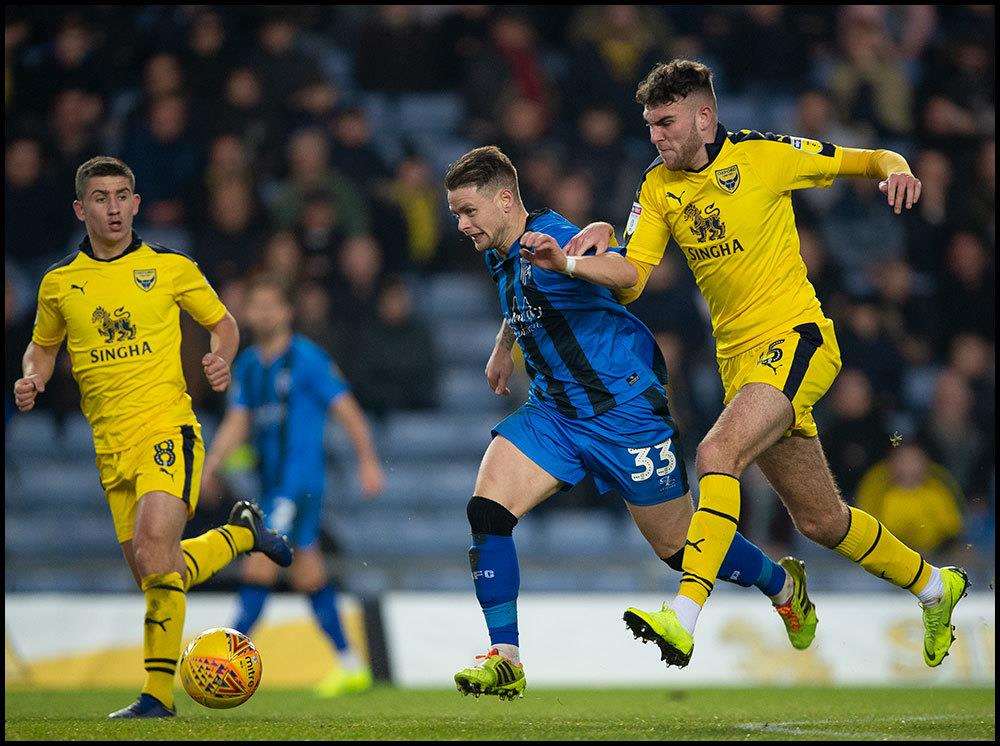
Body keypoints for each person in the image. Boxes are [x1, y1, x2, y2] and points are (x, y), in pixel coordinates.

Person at [565, 59, 968, 668]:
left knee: (715, 454)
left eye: (667, 122)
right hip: (742, 366)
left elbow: (868, 158)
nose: (657, 136)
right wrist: (573, 263)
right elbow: (633, 279)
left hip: (797, 339)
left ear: (705, 116)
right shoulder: (656, 187)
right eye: (650, 125)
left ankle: (683, 615)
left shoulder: (764, 155)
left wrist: (901, 169)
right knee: (822, 521)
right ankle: (936, 587)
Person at [444, 146, 817, 700]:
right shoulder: (499, 250)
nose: (462, 224)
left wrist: (568, 261)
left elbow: (624, 271)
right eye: (456, 214)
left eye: (469, 211)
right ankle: (506, 656)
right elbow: (520, 298)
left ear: (504, 201)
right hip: (556, 414)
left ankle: (784, 585)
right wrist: (506, 346)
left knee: (681, 551)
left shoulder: (555, 237)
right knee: (486, 511)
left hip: (625, 415)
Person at [12, 156, 293, 718]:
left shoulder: (170, 267)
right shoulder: (60, 282)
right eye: (100, 197)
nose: (113, 207)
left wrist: (221, 359)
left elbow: (224, 324)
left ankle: (156, 698)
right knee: (155, 570)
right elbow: (43, 345)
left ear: (136, 203)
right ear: (80, 208)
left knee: (155, 550)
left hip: (167, 426)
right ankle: (240, 536)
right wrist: (33, 377)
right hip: (109, 446)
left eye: (122, 196)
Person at [201, 275, 385, 698]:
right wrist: (212, 464)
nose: (264, 313)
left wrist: (368, 461)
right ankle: (351, 664)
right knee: (308, 572)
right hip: (270, 483)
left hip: (300, 483)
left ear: (287, 312)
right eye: (256, 305)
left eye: (271, 305)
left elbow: (348, 411)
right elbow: (238, 422)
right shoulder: (247, 365)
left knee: (259, 562)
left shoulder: (307, 359)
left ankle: (221, 662)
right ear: (246, 313)